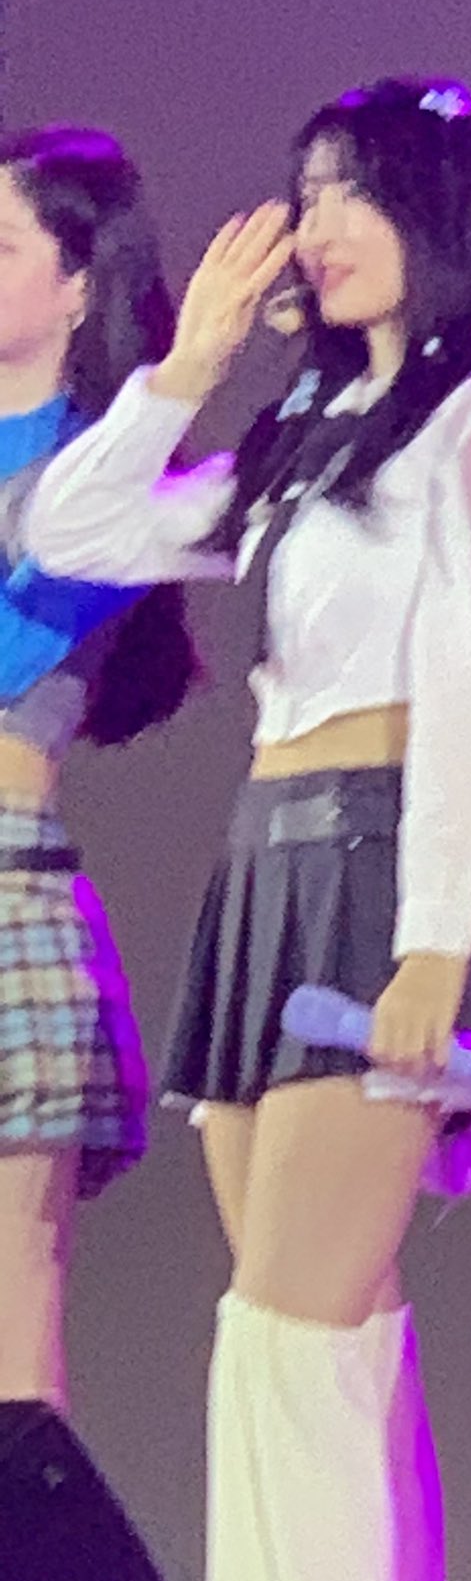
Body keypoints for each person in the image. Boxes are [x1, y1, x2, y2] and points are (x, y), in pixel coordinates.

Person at [23, 78, 471, 1581]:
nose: (318, 227)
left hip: (382, 866)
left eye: (355, 195)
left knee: (294, 1323)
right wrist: (185, 364)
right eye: (306, 191)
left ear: (442, 214)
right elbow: (70, 532)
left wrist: (434, 945)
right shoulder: (309, 426)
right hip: (269, 865)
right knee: (316, 1334)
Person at [0, 125, 196, 1414]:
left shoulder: (91, 473)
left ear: (79, 285)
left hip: (8, 890)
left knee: (13, 1317)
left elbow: (19, 641)